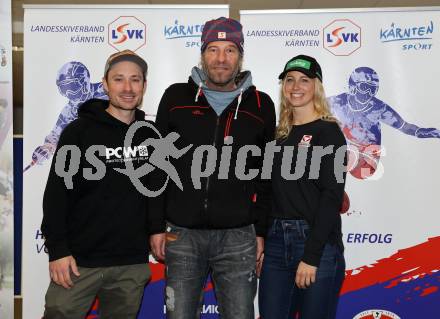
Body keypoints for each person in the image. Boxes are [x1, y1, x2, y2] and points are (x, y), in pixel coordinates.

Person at [148, 17, 276, 319]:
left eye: (230, 50)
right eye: (214, 49)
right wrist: (154, 226)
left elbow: (265, 175)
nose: (221, 58)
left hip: (239, 237)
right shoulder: (176, 97)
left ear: (240, 55)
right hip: (182, 234)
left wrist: (260, 232)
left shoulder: (261, 104)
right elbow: (156, 167)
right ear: (203, 54)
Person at [41, 50, 153, 318]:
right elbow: (56, 195)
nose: (127, 88)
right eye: (119, 79)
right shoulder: (78, 132)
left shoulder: (151, 135)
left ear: (144, 86)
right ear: (104, 84)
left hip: (130, 264)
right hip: (78, 263)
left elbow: (157, 193)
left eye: (135, 80)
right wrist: (57, 251)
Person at [258, 55, 346, 319]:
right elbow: (266, 191)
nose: (296, 86)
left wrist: (311, 255)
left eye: (304, 80)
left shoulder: (328, 133)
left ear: (316, 86)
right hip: (275, 244)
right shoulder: (277, 135)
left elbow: (331, 197)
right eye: (289, 80)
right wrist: (260, 236)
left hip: (314, 243)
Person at [328, 66, 440, 180]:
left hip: (367, 158)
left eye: (372, 89)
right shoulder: (336, 102)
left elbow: (404, 127)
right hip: (346, 148)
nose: (368, 93)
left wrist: (421, 132)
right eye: (364, 87)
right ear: (353, 86)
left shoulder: (379, 108)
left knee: (357, 172)